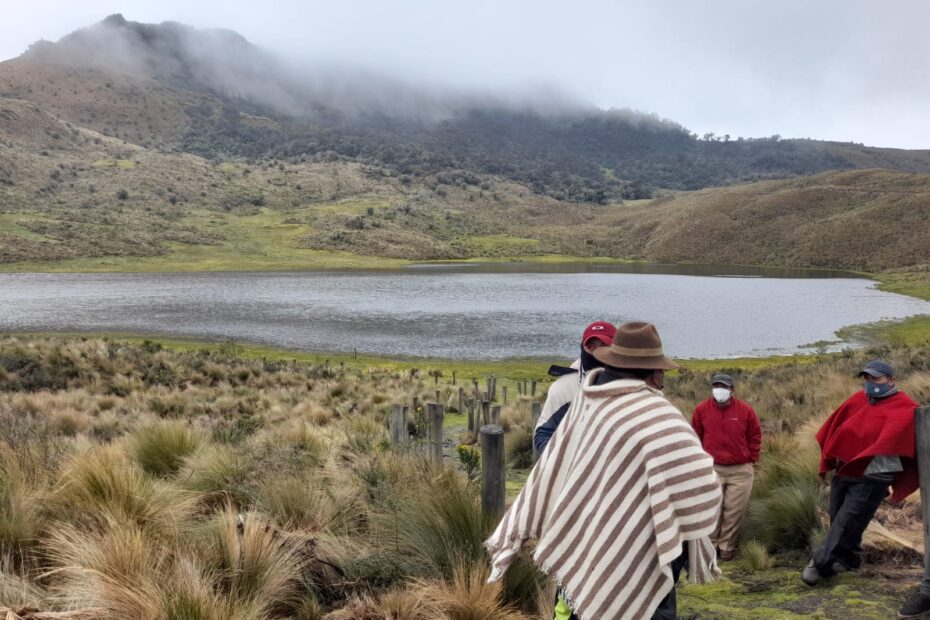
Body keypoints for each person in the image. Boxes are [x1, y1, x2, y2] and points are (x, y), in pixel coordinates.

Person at [486, 321, 722, 620]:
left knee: (577, 606)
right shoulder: (661, 418)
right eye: (661, 372)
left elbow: (552, 468)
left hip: (583, 548)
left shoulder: (587, 406)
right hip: (645, 559)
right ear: (654, 372)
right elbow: (704, 493)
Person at [801, 359, 919, 587]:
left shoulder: (905, 406)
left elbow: (897, 440)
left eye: (876, 378)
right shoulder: (858, 400)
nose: (870, 383)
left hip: (874, 475)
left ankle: (819, 564)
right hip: (846, 469)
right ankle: (849, 561)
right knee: (838, 516)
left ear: (891, 380)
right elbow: (835, 426)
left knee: (848, 521)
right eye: (866, 378)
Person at [691, 373, 761, 561]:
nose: (719, 390)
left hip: (740, 470)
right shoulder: (702, 409)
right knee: (712, 509)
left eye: (724, 387)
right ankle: (710, 547)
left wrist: (751, 458)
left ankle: (727, 548)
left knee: (734, 511)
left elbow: (755, 435)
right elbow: (695, 435)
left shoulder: (745, 411)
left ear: (732, 390)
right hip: (712, 467)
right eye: (716, 386)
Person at [534, 321, 615, 455]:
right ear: (583, 348)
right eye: (591, 346)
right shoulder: (563, 388)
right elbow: (543, 434)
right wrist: (565, 463)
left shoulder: (635, 385)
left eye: (605, 346)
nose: (597, 352)